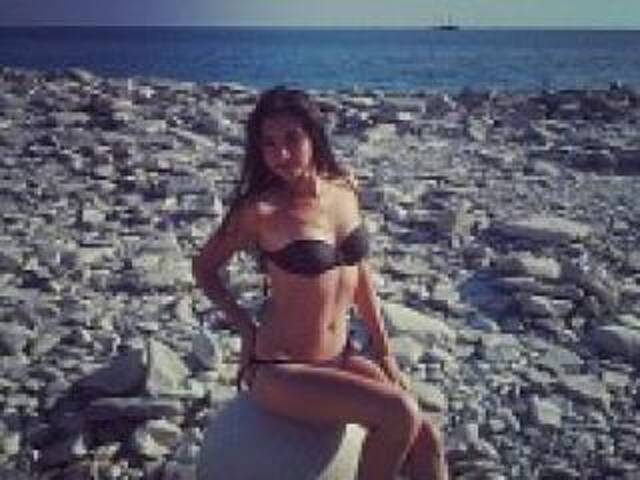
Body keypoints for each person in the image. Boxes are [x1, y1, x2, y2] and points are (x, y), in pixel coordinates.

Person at [192, 86, 448, 480]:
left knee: (427, 438)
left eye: (291, 139)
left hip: (339, 356)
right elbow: (204, 269)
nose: (280, 154)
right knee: (397, 412)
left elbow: (358, 273)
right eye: (268, 144)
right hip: (281, 369)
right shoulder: (260, 210)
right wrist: (246, 329)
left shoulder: (344, 188)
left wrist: (383, 351)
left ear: (314, 135)